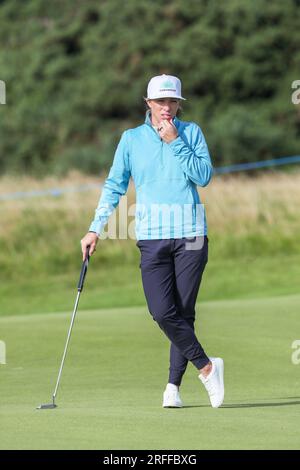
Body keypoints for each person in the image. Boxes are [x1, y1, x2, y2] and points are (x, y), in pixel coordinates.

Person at [81, 74, 224, 408]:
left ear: (178, 103)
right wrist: (95, 228)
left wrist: (176, 141)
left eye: (172, 101)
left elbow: (203, 176)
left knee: (183, 313)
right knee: (162, 312)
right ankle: (207, 367)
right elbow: (114, 185)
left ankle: (172, 387)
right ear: (148, 104)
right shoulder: (131, 140)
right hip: (151, 237)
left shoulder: (191, 133)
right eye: (160, 102)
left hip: (190, 234)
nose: (167, 108)